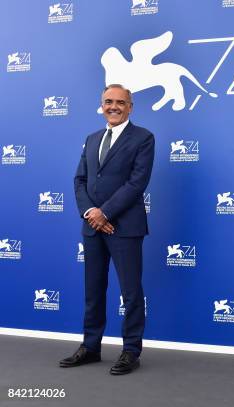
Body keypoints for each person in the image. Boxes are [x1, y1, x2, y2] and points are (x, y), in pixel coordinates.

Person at [60, 84, 155, 375]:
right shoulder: (92, 139)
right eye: (108, 102)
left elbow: (137, 183)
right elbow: (80, 180)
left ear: (130, 106)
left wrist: (106, 212)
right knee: (93, 290)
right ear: (102, 105)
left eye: (120, 102)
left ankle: (130, 351)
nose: (113, 106)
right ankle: (90, 346)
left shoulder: (143, 138)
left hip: (125, 228)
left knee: (130, 291)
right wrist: (91, 213)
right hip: (93, 227)